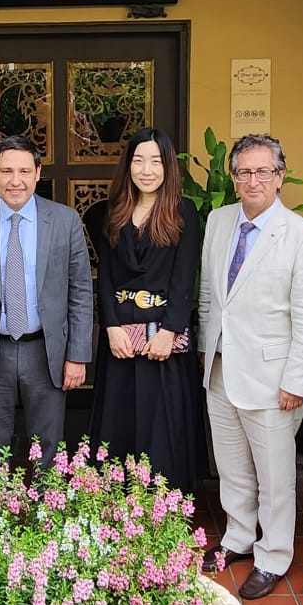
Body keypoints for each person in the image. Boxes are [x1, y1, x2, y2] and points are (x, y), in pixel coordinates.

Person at [196, 133, 303, 601]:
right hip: (219, 369)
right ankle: (237, 537)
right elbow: (211, 295)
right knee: (232, 468)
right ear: (232, 178)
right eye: (243, 172)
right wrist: (203, 349)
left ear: (279, 176)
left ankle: (273, 554)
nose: (253, 180)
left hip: (274, 380)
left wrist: (298, 380)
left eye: (263, 171)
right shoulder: (218, 221)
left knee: (275, 478)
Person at [0, 134, 93, 463]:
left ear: (38, 173)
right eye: (7, 171)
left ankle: (45, 509)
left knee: (48, 446)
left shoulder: (65, 220)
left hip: (46, 351)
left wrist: (78, 355)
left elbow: (81, 291)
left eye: (25, 172)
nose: (16, 181)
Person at [84, 128, 205, 492]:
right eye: (138, 160)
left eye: (155, 161)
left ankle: (162, 504)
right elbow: (104, 275)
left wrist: (170, 330)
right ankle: (117, 501)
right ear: (128, 165)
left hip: (163, 339)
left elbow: (185, 277)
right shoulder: (109, 212)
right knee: (118, 419)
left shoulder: (183, 212)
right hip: (121, 334)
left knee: (162, 422)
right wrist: (110, 326)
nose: (146, 169)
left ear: (168, 166)